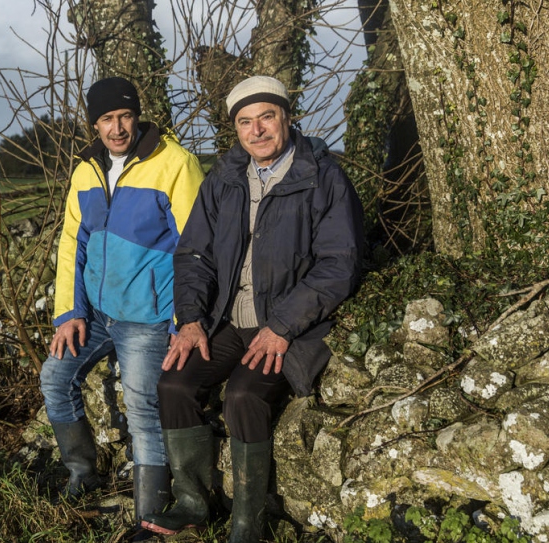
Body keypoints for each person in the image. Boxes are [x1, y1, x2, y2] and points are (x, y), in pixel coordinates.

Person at [140, 75, 364, 542]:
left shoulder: (322, 176)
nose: (257, 130)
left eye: (266, 117)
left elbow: (338, 264)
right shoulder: (223, 179)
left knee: (243, 395)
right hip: (225, 319)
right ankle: (192, 504)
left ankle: (248, 525)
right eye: (245, 121)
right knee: (174, 383)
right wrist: (192, 319)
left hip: (291, 326)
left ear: (287, 117)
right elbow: (194, 255)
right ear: (235, 129)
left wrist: (282, 325)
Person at [39, 77, 204, 532]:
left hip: (151, 317)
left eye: (125, 116)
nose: (117, 128)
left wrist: (185, 319)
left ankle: (148, 512)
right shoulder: (85, 170)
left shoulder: (174, 163)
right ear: (94, 124)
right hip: (96, 314)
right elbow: (73, 242)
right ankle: (82, 475)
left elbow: (197, 248)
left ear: (137, 116)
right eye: (107, 119)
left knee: (143, 405)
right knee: (54, 378)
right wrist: (70, 313)